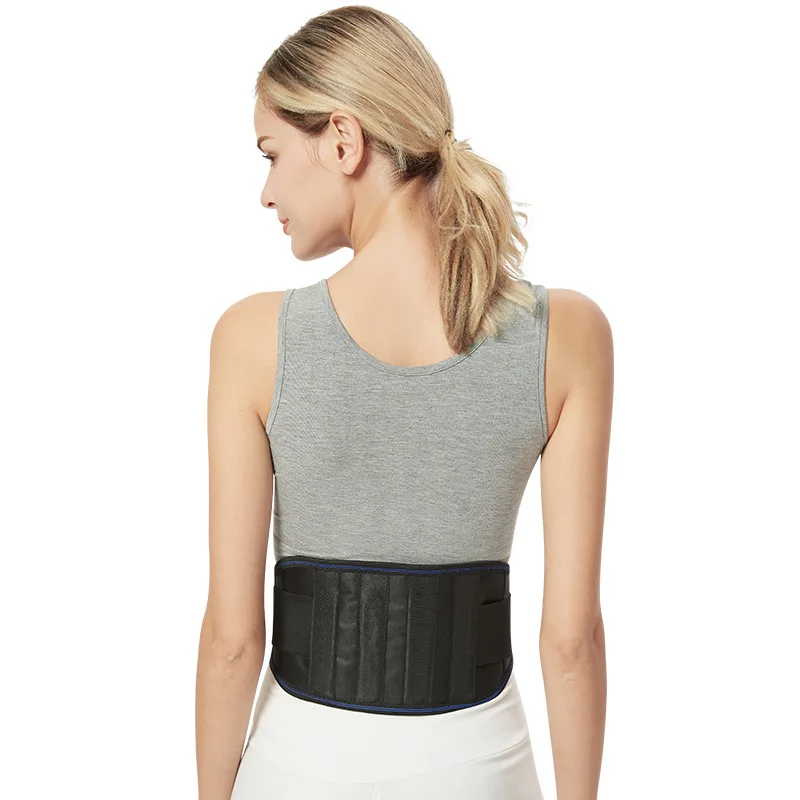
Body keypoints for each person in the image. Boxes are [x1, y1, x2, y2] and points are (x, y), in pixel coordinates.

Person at [195, 6, 611, 800]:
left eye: (272, 154)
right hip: (482, 770)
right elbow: (571, 642)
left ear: (342, 141)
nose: (266, 192)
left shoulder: (253, 340)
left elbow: (232, 641)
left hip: (299, 769)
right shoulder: (567, 335)